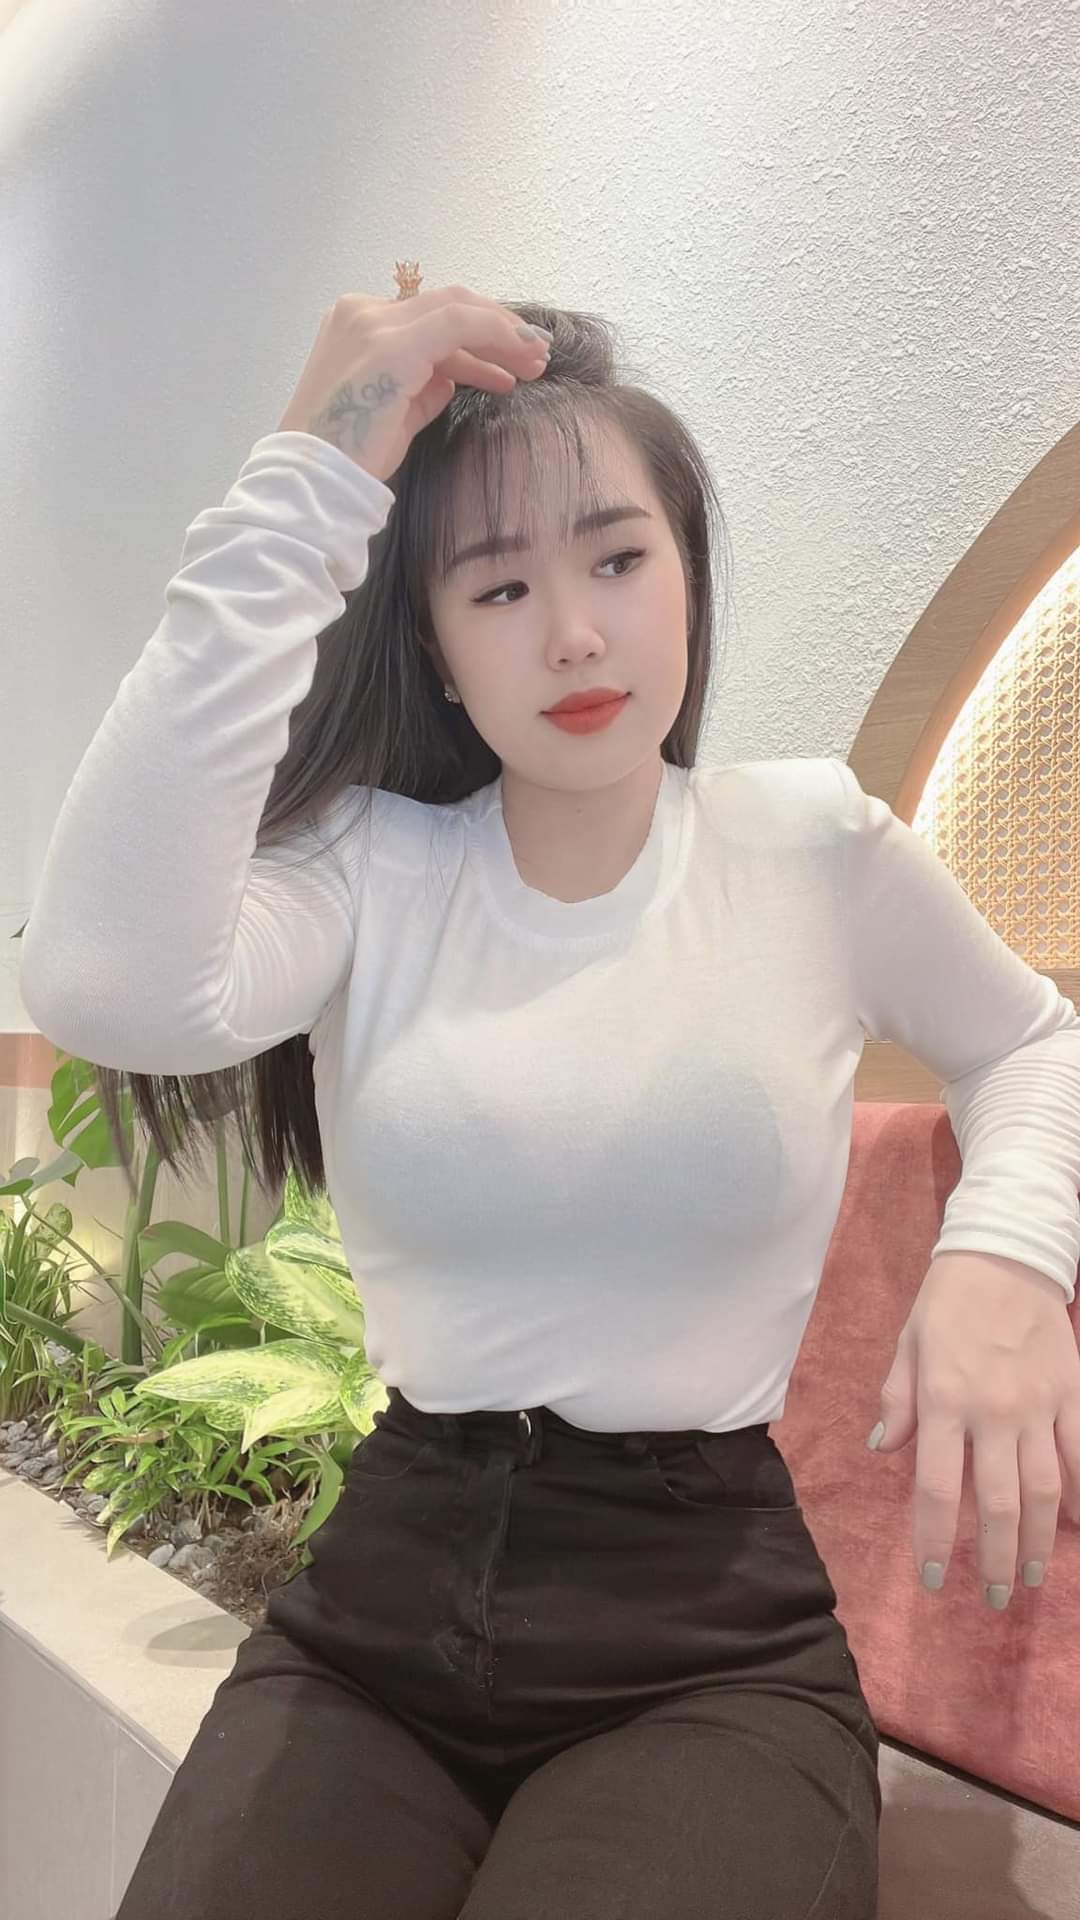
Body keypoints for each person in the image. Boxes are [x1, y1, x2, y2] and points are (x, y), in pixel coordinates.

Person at [18, 278, 1080, 1919]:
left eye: (618, 560)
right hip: (376, 1619)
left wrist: (1005, 1257)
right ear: (438, 652)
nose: (574, 632)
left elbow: (1035, 1043)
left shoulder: (812, 849)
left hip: (706, 1643)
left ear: (687, 579)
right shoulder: (369, 867)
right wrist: (313, 469)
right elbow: (103, 984)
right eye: (499, 586)